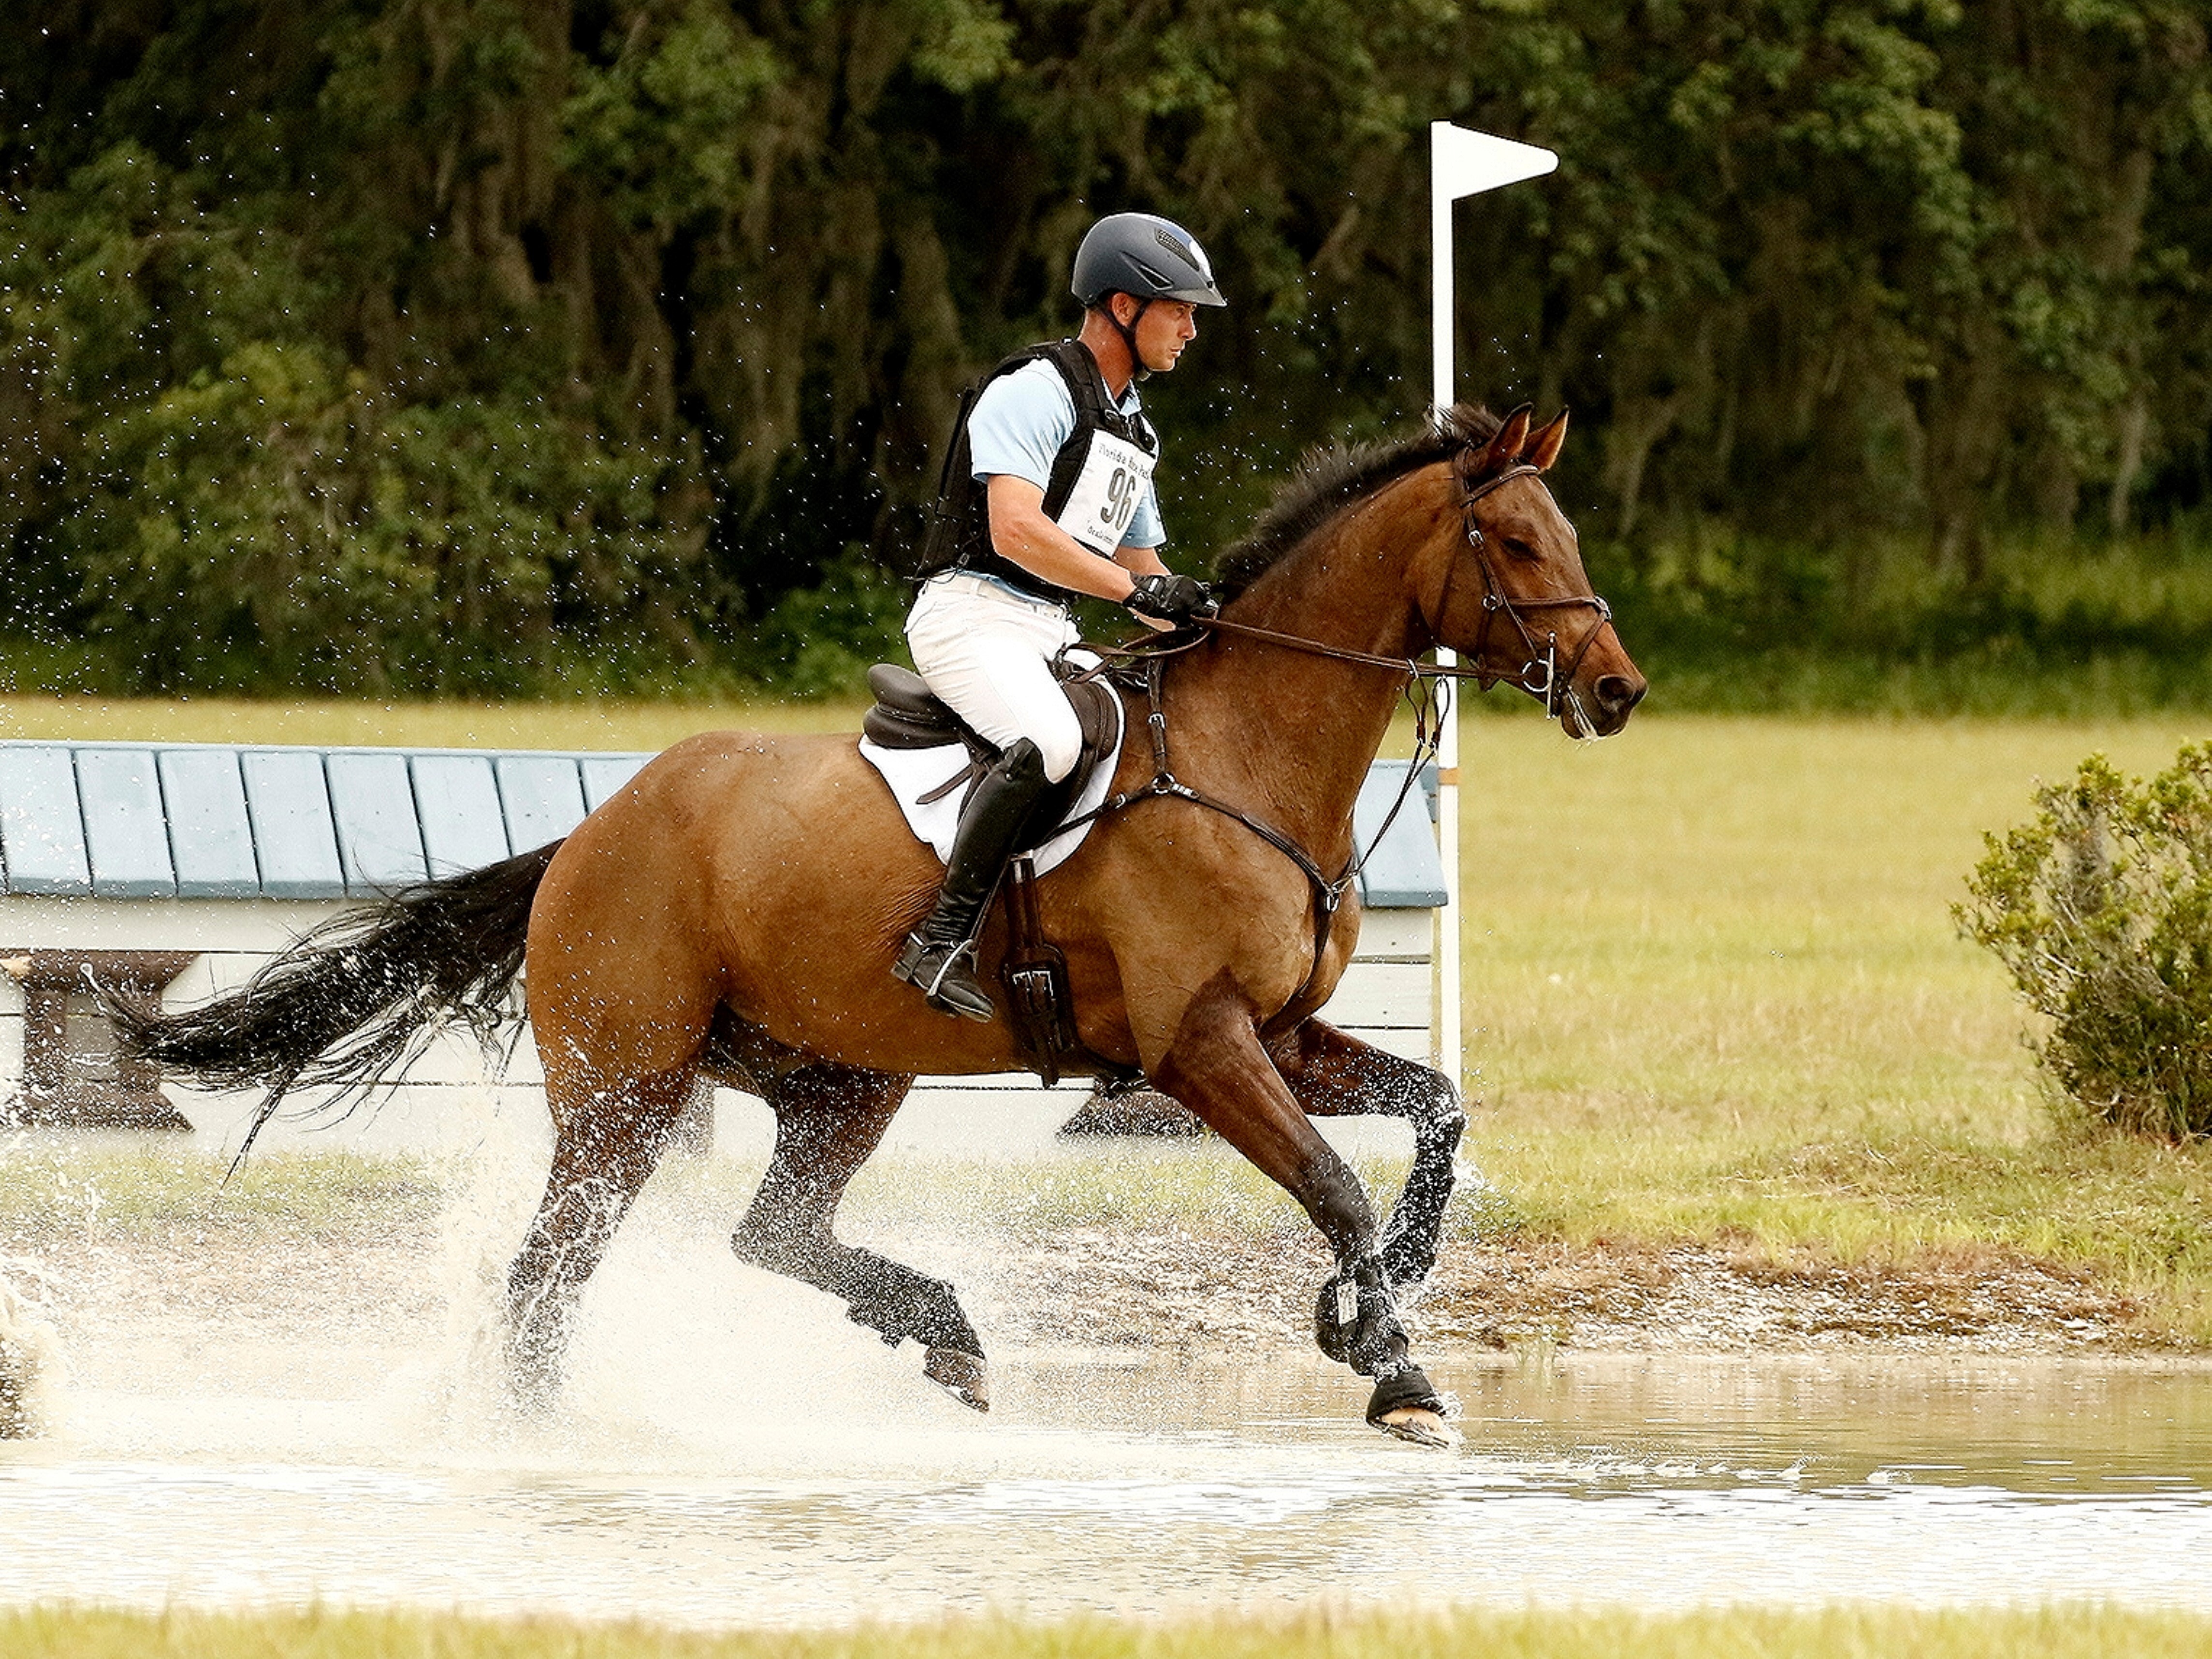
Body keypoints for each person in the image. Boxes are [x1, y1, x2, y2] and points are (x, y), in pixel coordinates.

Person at [893, 211, 1225, 1022]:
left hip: (1049, 630)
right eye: (1178, 309)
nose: (1190, 329)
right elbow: (1016, 528)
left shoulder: (1133, 428)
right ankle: (938, 940)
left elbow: (1143, 570)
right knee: (1051, 741)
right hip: (969, 616)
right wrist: (1130, 592)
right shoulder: (1033, 391)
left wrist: (1195, 608)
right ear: (1122, 307)